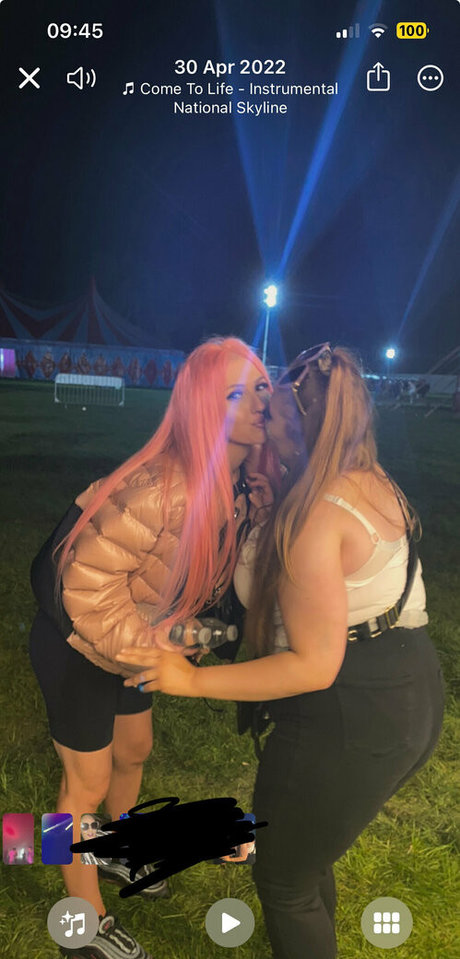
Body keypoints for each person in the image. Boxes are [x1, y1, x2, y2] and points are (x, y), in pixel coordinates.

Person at [119, 344, 445, 959]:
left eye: (270, 410)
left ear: (297, 429)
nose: (259, 415)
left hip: (349, 710)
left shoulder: (318, 515)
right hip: (405, 684)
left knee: (283, 879)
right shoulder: (364, 478)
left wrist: (188, 681)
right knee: (305, 857)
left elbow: (313, 665)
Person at [29, 336, 275, 959]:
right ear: (203, 407)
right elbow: (84, 587)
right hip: (77, 642)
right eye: (237, 394)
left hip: (128, 646)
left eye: (263, 387)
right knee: (83, 784)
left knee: (134, 750)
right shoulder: (162, 488)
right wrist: (153, 649)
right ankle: (82, 925)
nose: (260, 404)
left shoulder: (241, 487)